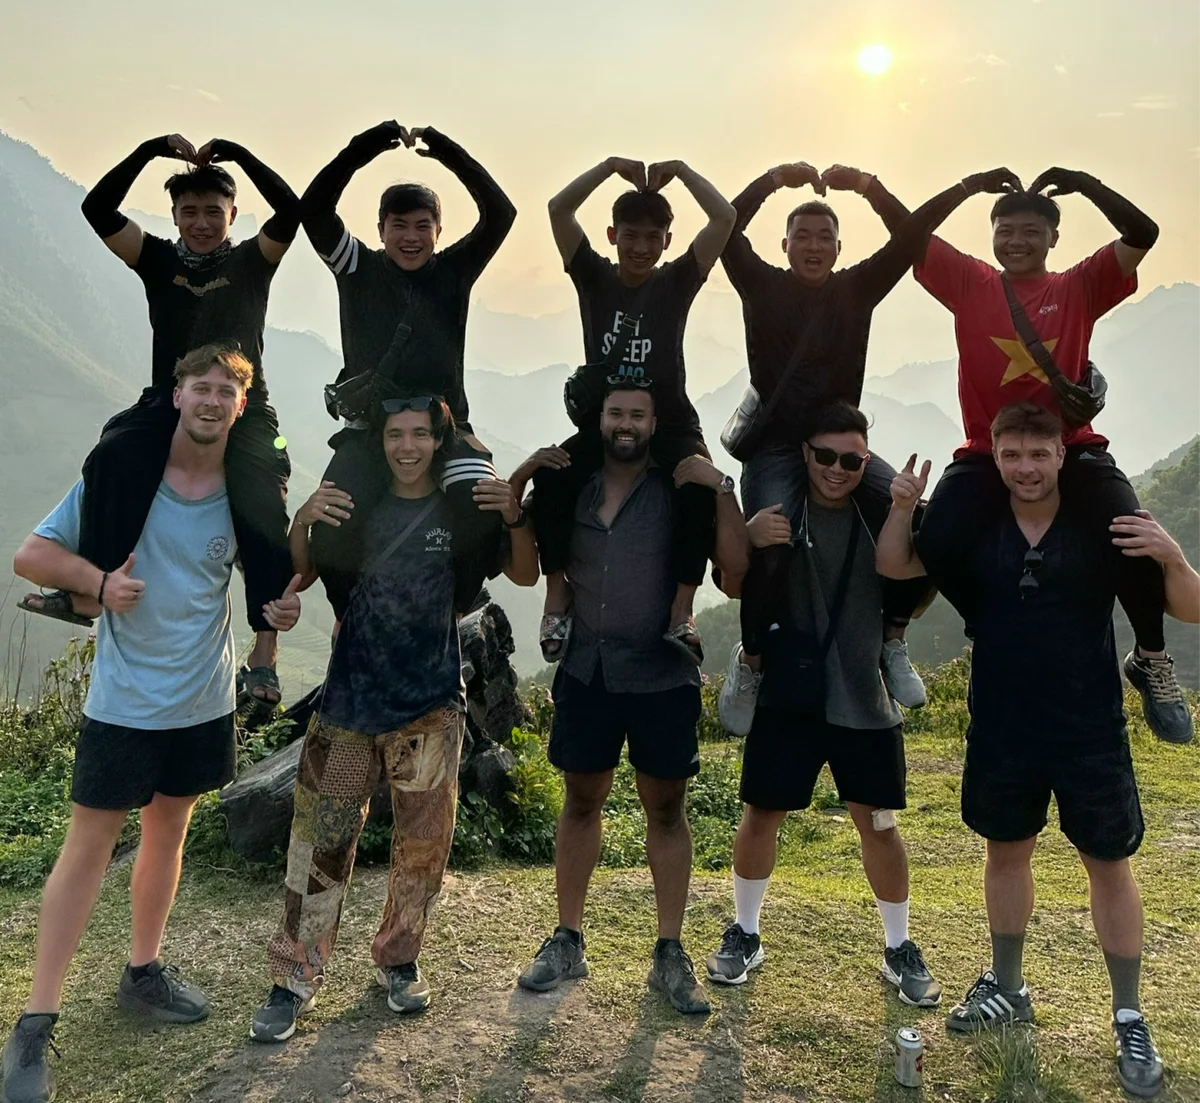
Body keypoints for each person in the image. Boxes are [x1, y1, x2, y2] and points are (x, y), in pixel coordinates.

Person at [2, 347, 302, 1103]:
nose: (212, 401)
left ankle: (143, 971)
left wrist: (282, 611)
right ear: (176, 396)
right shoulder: (126, 477)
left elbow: (267, 577)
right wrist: (99, 581)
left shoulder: (242, 490)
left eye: (226, 391)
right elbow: (31, 555)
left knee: (167, 835)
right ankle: (34, 1023)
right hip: (125, 703)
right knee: (87, 850)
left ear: (240, 407)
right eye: (200, 387)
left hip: (203, 702)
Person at [876, 402, 1173, 1100]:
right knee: (1005, 854)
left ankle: (1130, 1016)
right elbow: (897, 563)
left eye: (1040, 453)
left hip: (1088, 726)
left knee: (1109, 866)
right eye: (1012, 455)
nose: (1026, 468)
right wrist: (903, 507)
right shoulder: (977, 525)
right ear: (995, 457)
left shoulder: (1098, 525)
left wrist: (1173, 553)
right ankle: (1008, 987)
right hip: (1003, 723)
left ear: (1063, 453)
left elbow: (1183, 603)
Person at [250, 393, 534, 1042]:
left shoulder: (458, 514)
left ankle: (399, 959)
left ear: (439, 442)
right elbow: (303, 569)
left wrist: (515, 514)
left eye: (420, 435)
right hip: (348, 703)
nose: (407, 447)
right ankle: (293, 977)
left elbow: (522, 572)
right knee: (318, 842)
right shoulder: (359, 509)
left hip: (429, 704)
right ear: (379, 443)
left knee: (423, 845)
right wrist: (302, 520)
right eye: (395, 435)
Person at [717, 161, 1026, 734]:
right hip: (778, 446)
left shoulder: (856, 289)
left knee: (929, 525)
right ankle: (752, 662)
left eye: (825, 237)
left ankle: (892, 636)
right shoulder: (761, 285)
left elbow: (910, 236)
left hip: (843, 444)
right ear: (784, 245)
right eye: (802, 236)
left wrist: (882, 187)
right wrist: (773, 180)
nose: (814, 246)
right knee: (774, 545)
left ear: (840, 248)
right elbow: (726, 227)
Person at [910, 168, 1191, 745]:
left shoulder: (1080, 285)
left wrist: (1084, 182)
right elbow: (909, 234)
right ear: (992, 233)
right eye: (1006, 230)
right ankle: (984, 623)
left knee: (1132, 532)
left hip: (1072, 443)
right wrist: (966, 187)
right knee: (936, 539)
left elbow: (1144, 232)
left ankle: (1150, 658)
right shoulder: (970, 282)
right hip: (988, 450)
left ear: (1053, 238)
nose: (1017, 241)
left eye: (1031, 231)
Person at [20, 134, 302, 709]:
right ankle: (91, 588)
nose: (201, 223)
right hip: (166, 399)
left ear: (232, 215)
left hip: (245, 406)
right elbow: (97, 208)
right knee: (112, 454)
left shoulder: (252, 261)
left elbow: (292, 211)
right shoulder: (157, 259)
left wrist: (241, 155)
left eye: (213, 212)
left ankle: (265, 647)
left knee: (264, 488)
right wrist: (149, 151)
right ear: (173, 215)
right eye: (189, 211)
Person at [517, 380, 748, 1015]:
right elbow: (522, 556)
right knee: (580, 801)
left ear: (654, 422)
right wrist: (524, 473)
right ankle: (568, 938)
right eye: (615, 412)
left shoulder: (681, 489)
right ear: (599, 419)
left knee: (667, 810)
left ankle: (670, 950)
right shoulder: (572, 486)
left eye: (637, 415)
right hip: (587, 669)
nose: (625, 424)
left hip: (662, 672)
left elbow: (737, 567)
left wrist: (723, 486)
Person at [704, 403, 941, 1008]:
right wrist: (748, 535)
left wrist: (907, 511)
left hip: (863, 692)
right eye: (826, 456)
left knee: (879, 824)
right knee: (762, 814)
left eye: (852, 460)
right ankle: (746, 932)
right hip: (792, 690)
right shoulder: (781, 510)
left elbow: (921, 573)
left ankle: (898, 946)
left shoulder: (875, 516)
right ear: (804, 455)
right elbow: (731, 580)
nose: (838, 469)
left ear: (867, 461)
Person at [299, 121, 516, 619]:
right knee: (331, 523)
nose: (411, 237)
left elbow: (501, 213)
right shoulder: (357, 268)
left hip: (447, 428)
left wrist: (447, 151)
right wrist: (367, 144)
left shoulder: (456, 270)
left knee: (481, 507)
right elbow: (314, 209)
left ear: (439, 231)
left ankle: (455, 612)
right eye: (398, 225)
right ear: (380, 230)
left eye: (423, 226)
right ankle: (351, 617)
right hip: (369, 430)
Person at [532, 156, 737, 666]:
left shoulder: (675, 282)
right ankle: (557, 597)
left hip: (670, 422)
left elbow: (724, 218)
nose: (641, 247)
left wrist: (683, 171)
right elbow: (559, 209)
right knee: (551, 476)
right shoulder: (594, 277)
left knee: (696, 485)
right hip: (604, 422)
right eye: (630, 235)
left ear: (667, 241)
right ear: (612, 235)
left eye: (653, 237)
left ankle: (681, 611)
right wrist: (607, 168)